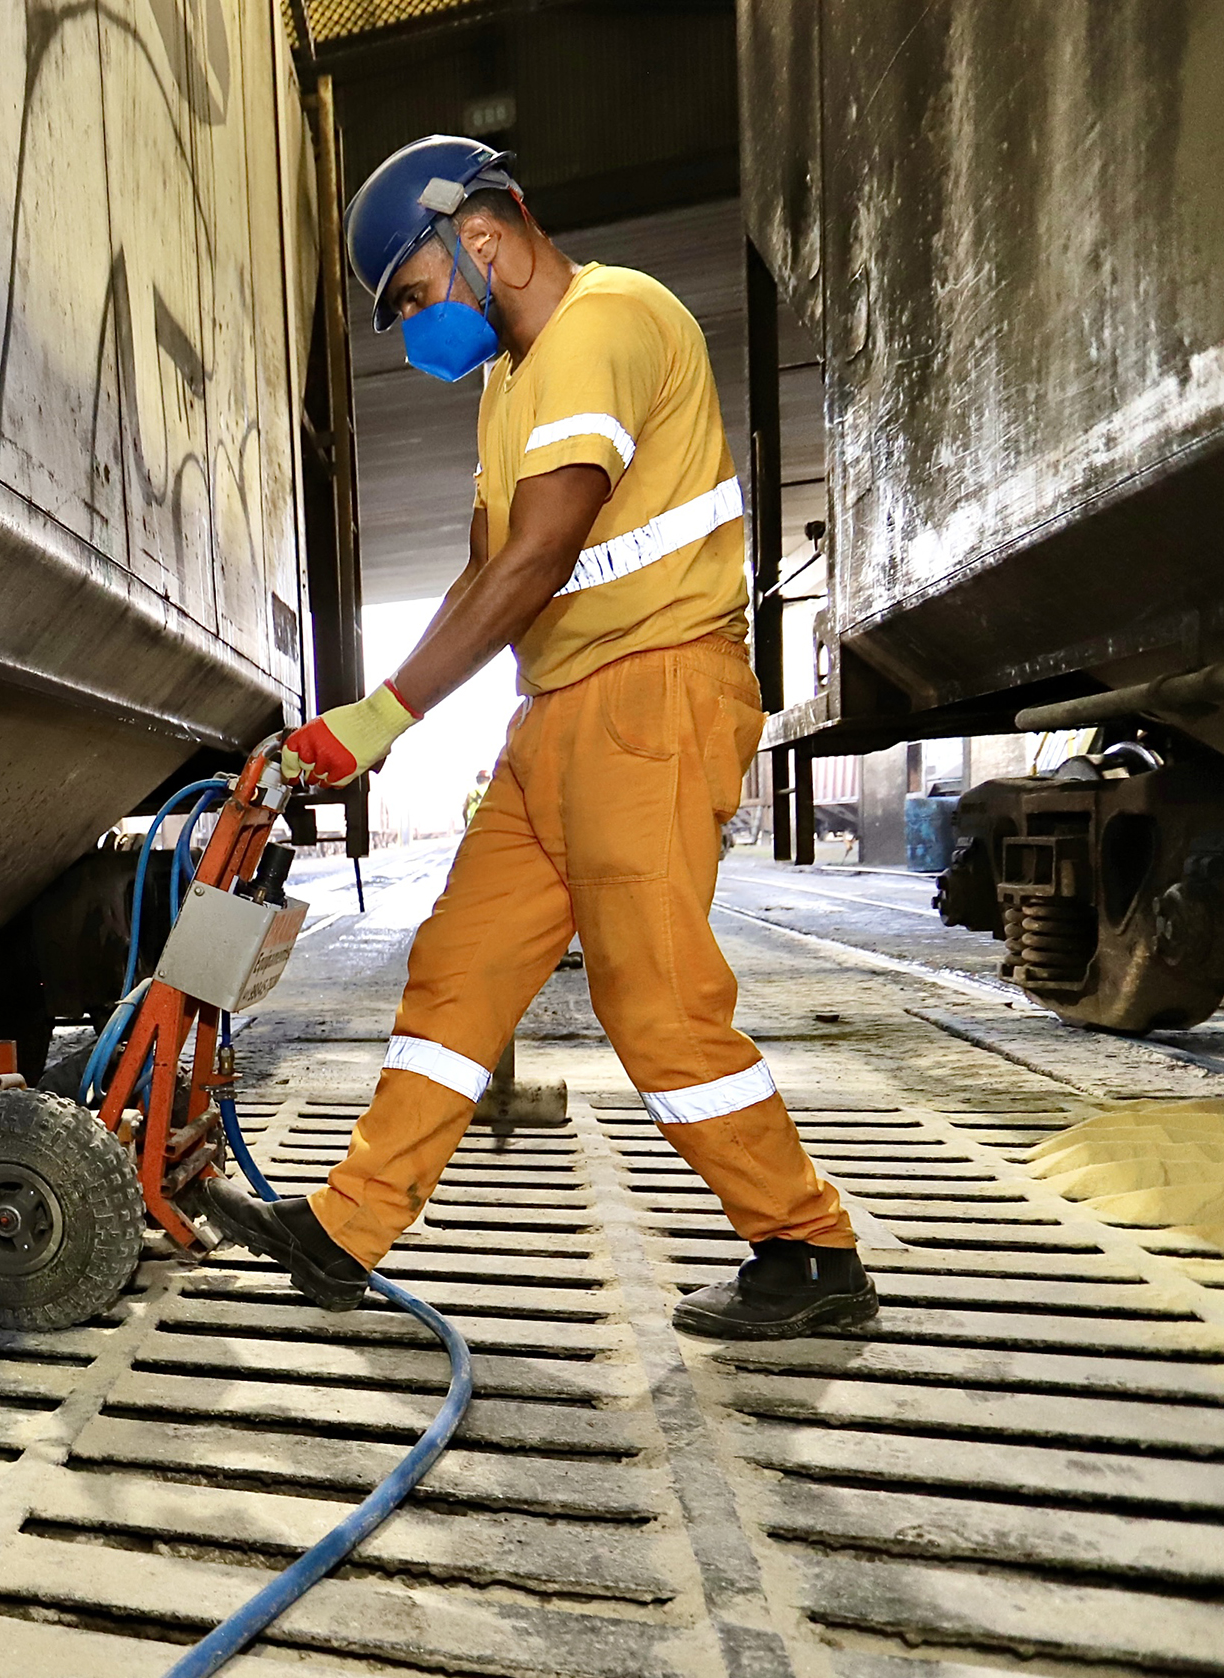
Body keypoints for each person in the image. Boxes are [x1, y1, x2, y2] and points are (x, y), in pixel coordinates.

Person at [205, 136, 875, 1338]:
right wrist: (373, 725)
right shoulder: (509, 387)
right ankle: (347, 1231)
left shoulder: (609, 324)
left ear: (484, 239)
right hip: (554, 717)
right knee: (457, 970)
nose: (414, 331)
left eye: (413, 298)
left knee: (657, 1001)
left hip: (655, 693)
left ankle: (809, 1247)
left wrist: (388, 714)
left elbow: (541, 554)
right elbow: (479, 577)